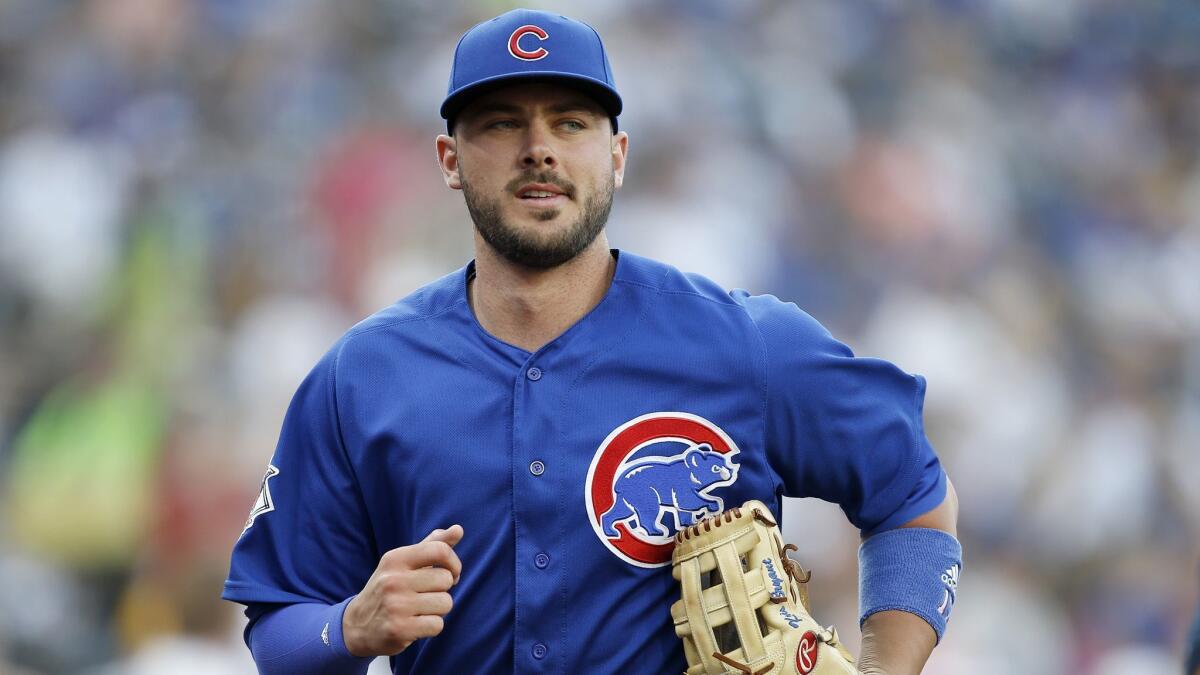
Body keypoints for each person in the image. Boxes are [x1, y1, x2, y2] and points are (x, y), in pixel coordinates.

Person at [222, 8, 962, 674]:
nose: (539, 148)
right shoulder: (363, 376)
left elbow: (914, 496)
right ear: (450, 159)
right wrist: (349, 627)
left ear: (618, 154)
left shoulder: (743, 344)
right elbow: (279, 626)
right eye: (502, 122)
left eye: (572, 122)